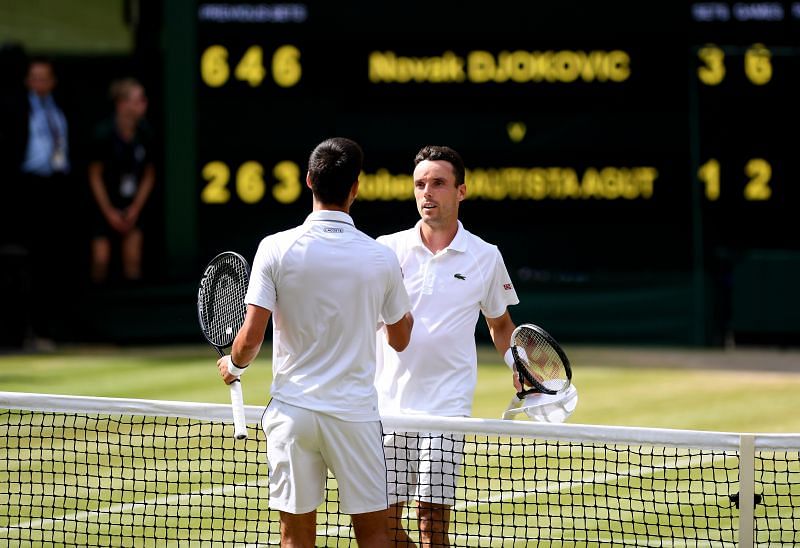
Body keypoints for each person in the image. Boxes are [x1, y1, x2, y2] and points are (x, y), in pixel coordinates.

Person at [217, 137, 414, 548]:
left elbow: (250, 340)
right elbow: (401, 339)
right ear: (355, 187)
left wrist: (234, 366)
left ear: (308, 180)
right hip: (354, 416)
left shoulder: (274, 247)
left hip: (293, 415)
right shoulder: (380, 258)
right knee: (376, 534)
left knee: (295, 537)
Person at [375, 145, 520, 547]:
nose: (427, 192)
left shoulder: (485, 256)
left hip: (447, 407)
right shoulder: (385, 250)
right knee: (382, 521)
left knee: (431, 519)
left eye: (438, 183)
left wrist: (518, 365)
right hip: (387, 405)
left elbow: (500, 324)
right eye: (420, 184)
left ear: (461, 191)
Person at [17, 57, 74, 347]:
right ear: (28, 81)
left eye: (45, 77)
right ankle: (31, 331)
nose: (40, 83)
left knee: (56, 259)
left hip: (56, 187)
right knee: (33, 262)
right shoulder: (17, 110)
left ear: (52, 81)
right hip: (29, 188)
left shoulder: (58, 110)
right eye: (35, 77)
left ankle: (55, 329)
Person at [88, 77, 155, 283]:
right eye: (137, 100)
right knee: (100, 261)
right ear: (122, 104)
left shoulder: (145, 133)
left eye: (143, 100)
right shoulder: (103, 134)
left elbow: (149, 175)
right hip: (104, 206)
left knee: (133, 260)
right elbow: (95, 175)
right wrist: (109, 212)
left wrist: (134, 209)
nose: (143, 104)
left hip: (131, 206)